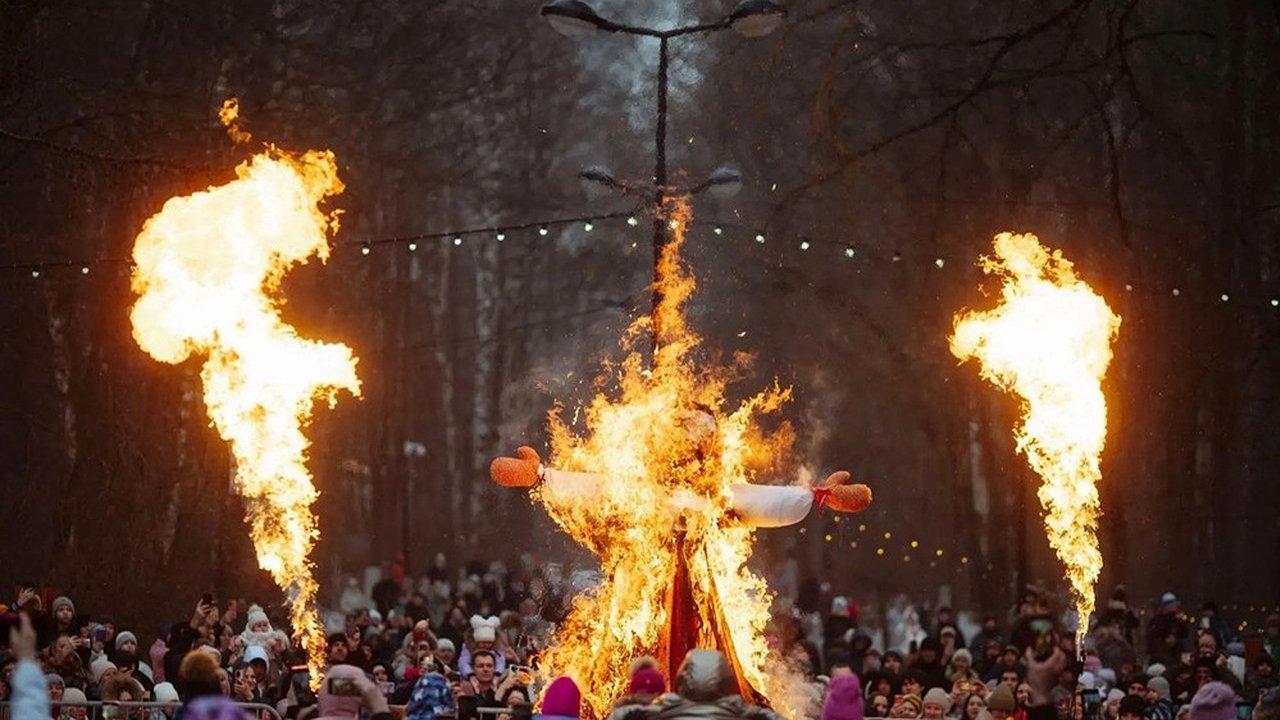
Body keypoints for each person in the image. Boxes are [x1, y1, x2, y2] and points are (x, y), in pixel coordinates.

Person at [606, 649, 784, 720]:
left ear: (682, 679)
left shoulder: (657, 710)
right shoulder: (744, 712)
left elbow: (621, 716)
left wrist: (632, 703)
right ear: (726, 681)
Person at [457, 649, 499, 720]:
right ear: (473, 669)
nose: (485, 669)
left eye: (489, 666)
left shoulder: (501, 686)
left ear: (495, 668)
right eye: (480, 666)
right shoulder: (465, 687)